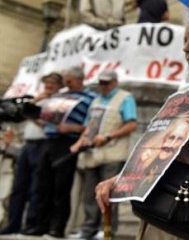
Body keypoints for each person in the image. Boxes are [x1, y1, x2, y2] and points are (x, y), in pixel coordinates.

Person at [95, 6, 189, 239]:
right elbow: (156, 152)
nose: (186, 48)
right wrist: (119, 181)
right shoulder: (185, 92)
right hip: (158, 211)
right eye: (186, 39)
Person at [21, 67, 96, 238]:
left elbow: (94, 124)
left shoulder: (91, 98)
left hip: (68, 142)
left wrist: (73, 128)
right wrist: (39, 99)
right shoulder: (60, 96)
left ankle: (57, 226)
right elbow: (36, 115)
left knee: (61, 186)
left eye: (68, 80)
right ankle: (41, 224)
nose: (65, 84)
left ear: (78, 80)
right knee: (43, 184)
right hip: (49, 141)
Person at [69, 69, 137, 240]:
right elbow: (89, 127)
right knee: (90, 194)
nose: (103, 86)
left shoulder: (125, 98)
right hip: (92, 154)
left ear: (115, 81)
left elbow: (131, 125)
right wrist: (78, 143)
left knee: (109, 194)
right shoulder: (96, 100)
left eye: (106, 82)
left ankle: (106, 229)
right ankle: (88, 229)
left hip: (113, 153)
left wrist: (107, 136)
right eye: (101, 82)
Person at [0, 72, 63, 235]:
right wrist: (36, 100)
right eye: (46, 83)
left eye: (52, 84)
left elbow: (50, 123)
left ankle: (31, 223)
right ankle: (13, 224)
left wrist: (33, 115)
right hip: (28, 144)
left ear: (59, 86)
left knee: (37, 187)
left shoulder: (59, 102)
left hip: (44, 144)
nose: (49, 86)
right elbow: (21, 113)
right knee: (18, 187)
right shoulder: (39, 98)